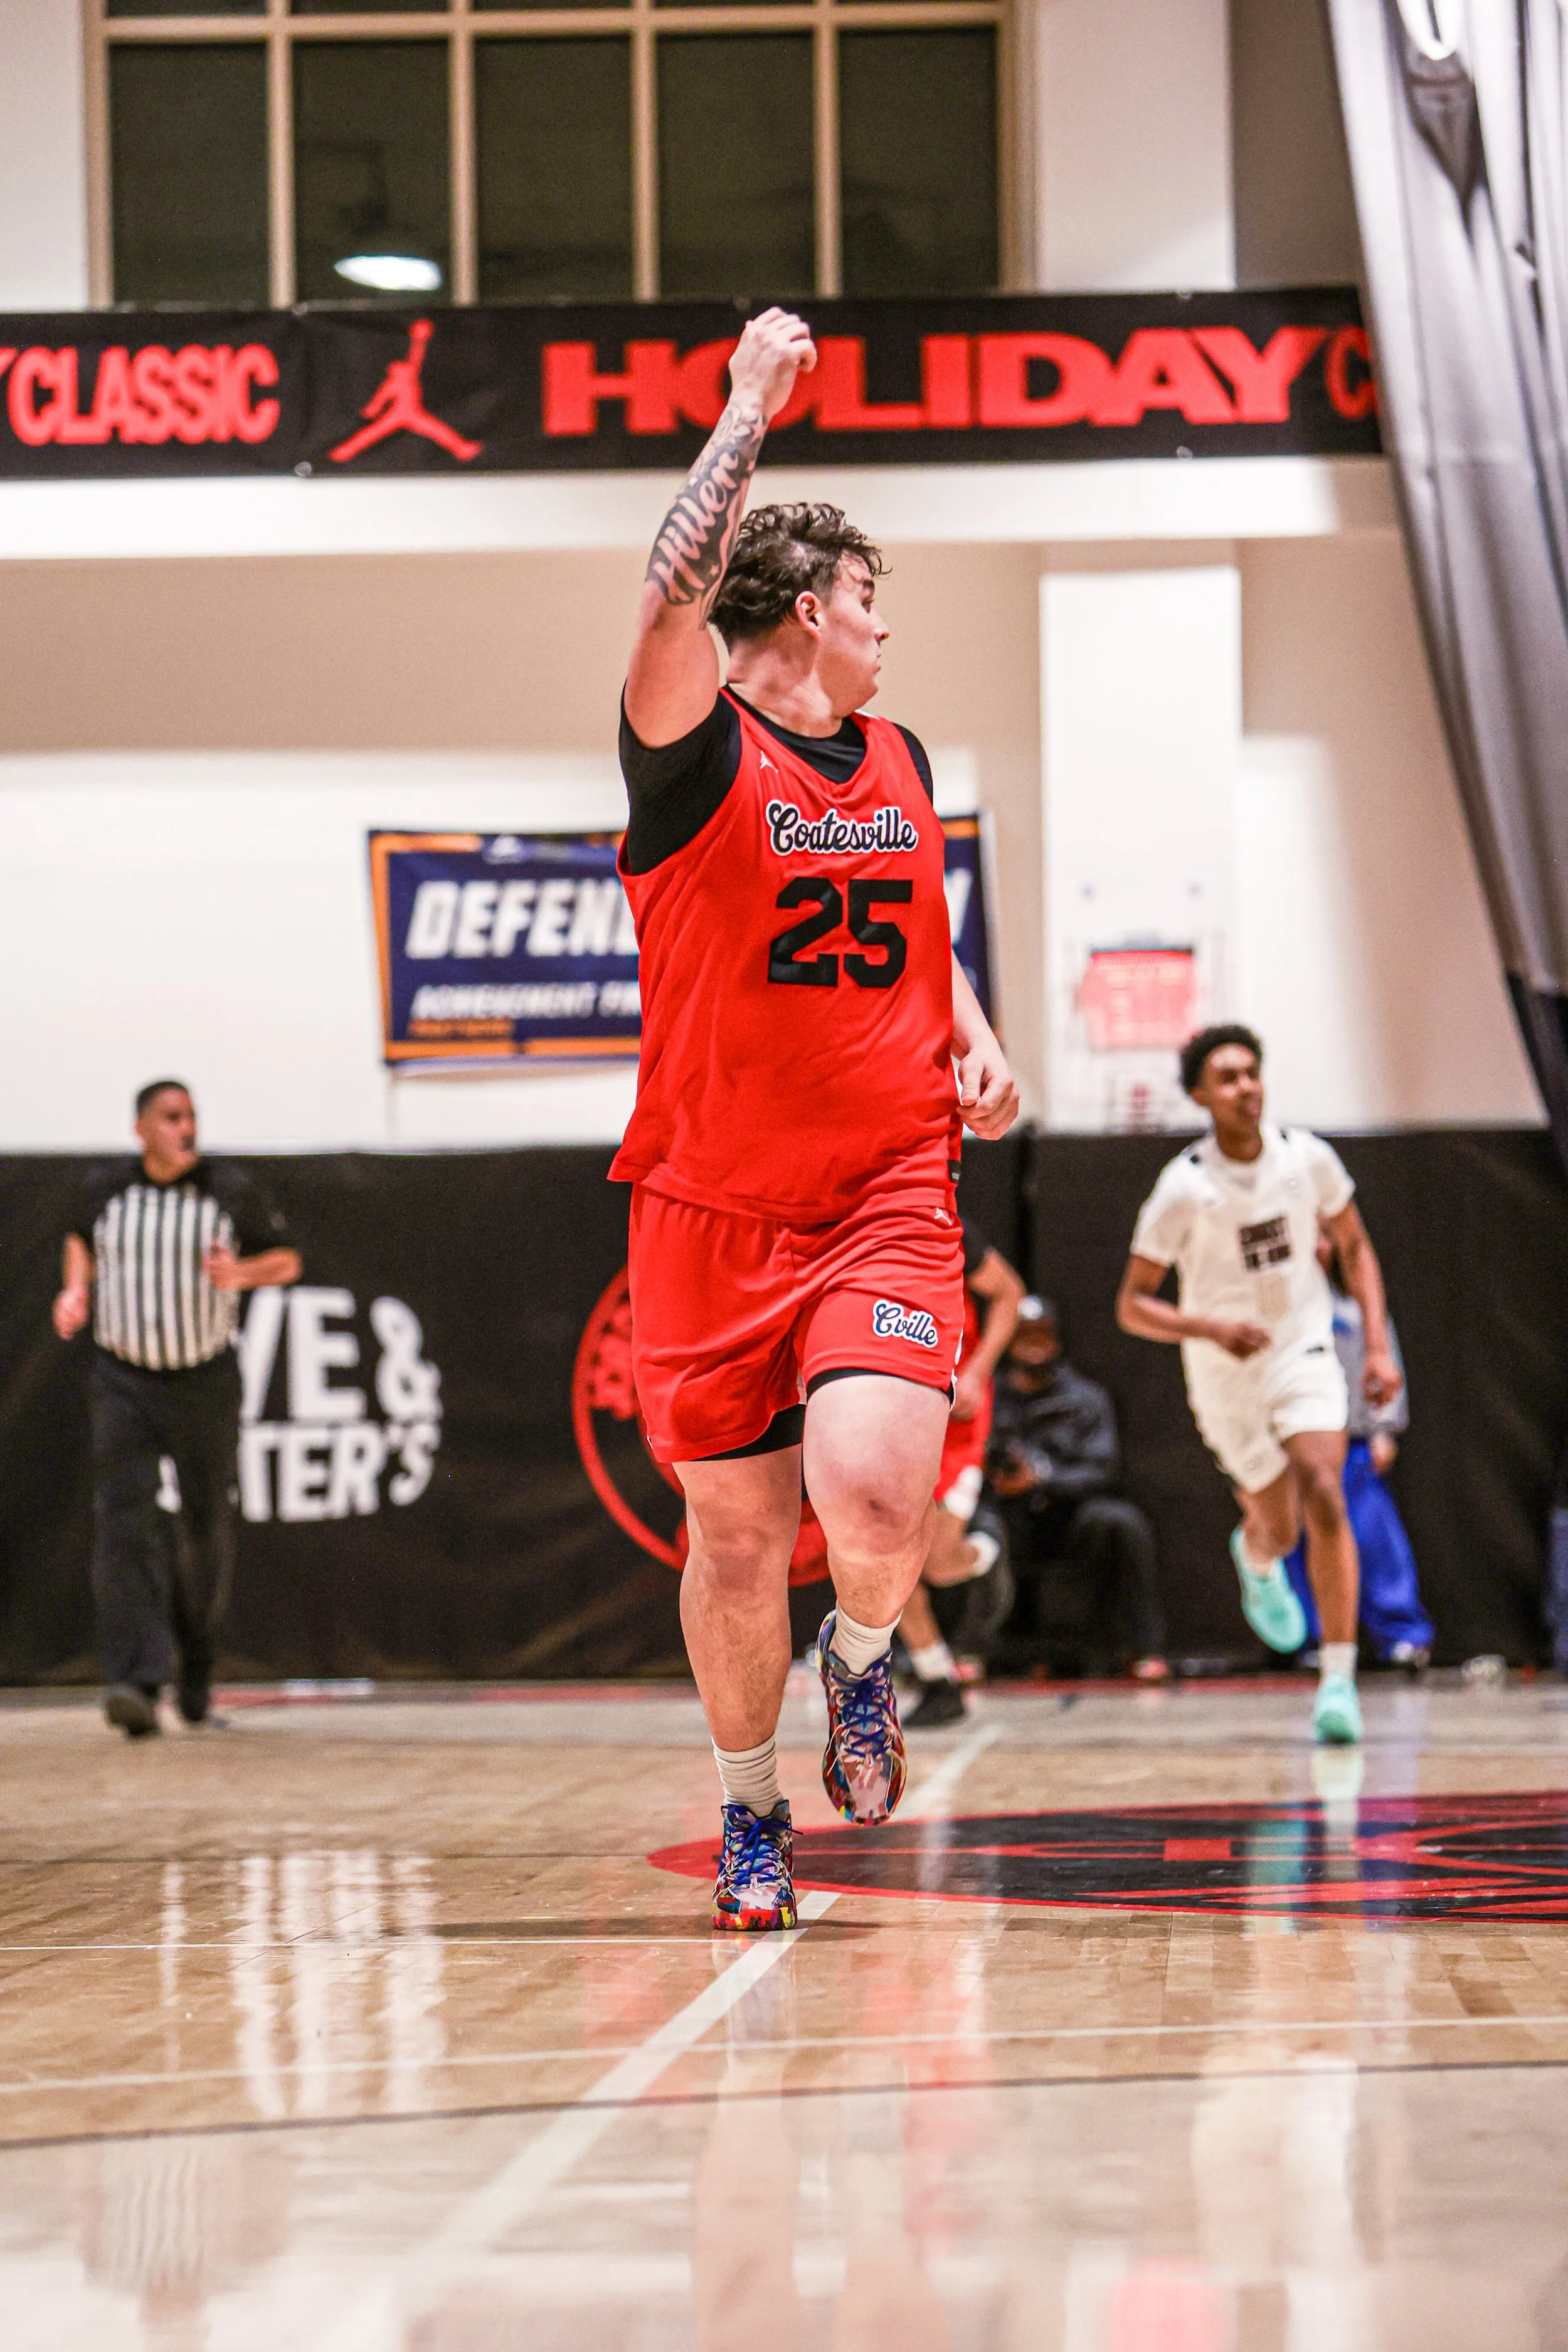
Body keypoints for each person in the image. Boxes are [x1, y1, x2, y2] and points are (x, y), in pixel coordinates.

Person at [614, 307, 1019, 1931]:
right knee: (732, 1537)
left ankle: (863, 1657)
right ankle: (747, 1812)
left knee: (870, 1502)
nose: (881, 631)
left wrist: (976, 1036)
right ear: (800, 608)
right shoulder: (692, 747)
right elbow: (662, 595)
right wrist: (743, 409)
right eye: (866, 600)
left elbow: (925, 934)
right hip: (710, 1202)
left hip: (882, 1190)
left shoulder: (904, 756)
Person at [1115, 1024, 1401, 1745]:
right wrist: (1209, 1328)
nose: (1245, 1086)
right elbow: (1132, 1304)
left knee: (1325, 1486)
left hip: (1301, 1348)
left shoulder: (1308, 1160)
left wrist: (1375, 1346)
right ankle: (1259, 1556)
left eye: (1252, 1072)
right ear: (1200, 1096)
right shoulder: (1184, 1187)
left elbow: (1357, 1245)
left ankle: (1337, 1677)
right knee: (1278, 1524)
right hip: (1224, 1372)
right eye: (1228, 1077)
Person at [53, 1080, 302, 1737]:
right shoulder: (107, 1187)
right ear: (142, 1128)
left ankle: (196, 1670)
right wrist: (76, 1291)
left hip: (203, 1379)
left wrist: (240, 1275)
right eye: (171, 1117)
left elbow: (286, 1260)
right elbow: (79, 1239)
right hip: (122, 1378)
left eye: (191, 1116)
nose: (186, 1127)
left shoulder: (228, 1189)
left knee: (202, 1528)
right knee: (123, 1525)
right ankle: (134, 1680)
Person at [987, 1296, 1167, 1679]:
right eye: (1024, 1338)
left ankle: (1145, 1649)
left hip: (1070, 1515)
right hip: (1009, 1517)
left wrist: (1043, 1477)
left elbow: (1103, 1470)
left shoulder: (1086, 1398)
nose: (1034, 1347)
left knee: (1123, 1523)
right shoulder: (987, 1398)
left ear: (1056, 1340)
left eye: (1042, 1337)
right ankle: (969, 1651)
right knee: (967, 1528)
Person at [1282, 1229, 1433, 1668]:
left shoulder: (1355, 1312)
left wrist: (1385, 1428)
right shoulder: (1277, 1319)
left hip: (1353, 1445)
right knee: (1300, 1541)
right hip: (1298, 1448)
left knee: (1374, 1538)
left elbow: (1384, 1366)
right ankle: (1316, 1640)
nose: (1316, 1246)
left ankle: (1403, 1634)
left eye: (1322, 1237)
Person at [898, 1216, 1026, 1727]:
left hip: (954, 1419)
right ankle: (938, 1677)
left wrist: (977, 1371)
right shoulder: (839, 1223)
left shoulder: (941, 1222)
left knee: (937, 1564)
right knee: (886, 1557)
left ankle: (987, 1555)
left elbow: (1010, 1292)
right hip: (891, 1413)